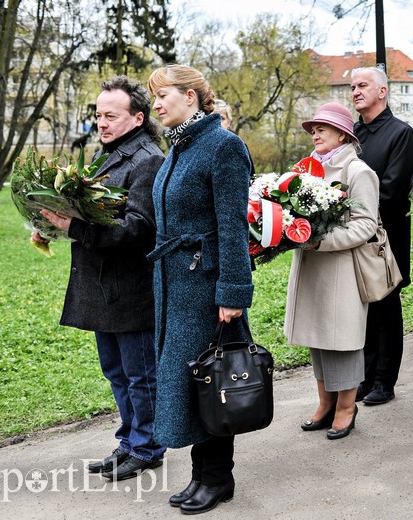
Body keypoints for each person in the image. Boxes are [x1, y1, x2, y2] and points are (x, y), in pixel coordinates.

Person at [37, 75, 165, 481]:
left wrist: (73, 227)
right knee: (116, 372)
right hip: (104, 289)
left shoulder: (148, 160)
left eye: (111, 115)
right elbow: (89, 213)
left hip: (131, 289)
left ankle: (147, 447)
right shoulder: (107, 155)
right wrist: (53, 224)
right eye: (98, 115)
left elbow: (138, 229)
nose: (102, 123)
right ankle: (130, 441)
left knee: (141, 375)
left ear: (138, 117)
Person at [146, 65, 254, 515]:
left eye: (162, 95)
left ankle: (217, 479)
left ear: (190, 96)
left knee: (213, 381)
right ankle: (200, 475)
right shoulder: (179, 147)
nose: (155, 105)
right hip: (174, 286)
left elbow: (233, 229)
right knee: (191, 383)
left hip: (207, 286)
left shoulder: (223, 147)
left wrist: (232, 291)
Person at [284, 102, 379, 440]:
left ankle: (345, 408)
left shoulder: (358, 171)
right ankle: (324, 404)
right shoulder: (307, 170)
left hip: (341, 269)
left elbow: (365, 225)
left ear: (342, 134)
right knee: (317, 337)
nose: (315, 134)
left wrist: (319, 241)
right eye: (313, 130)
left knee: (343, 341)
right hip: (312, 267)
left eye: (322, 128)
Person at [351, 66, 413, 405]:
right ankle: (364, 377)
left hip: (385, 239)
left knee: (386, 308)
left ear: (382, 92)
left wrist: (349, 209)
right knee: (363, 310)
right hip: (352, 239)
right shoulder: (350, 133)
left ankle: (384, 381)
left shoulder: (401, 133)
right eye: (352, 87)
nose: (355, 91)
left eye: (363, 85)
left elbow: (391, 190)